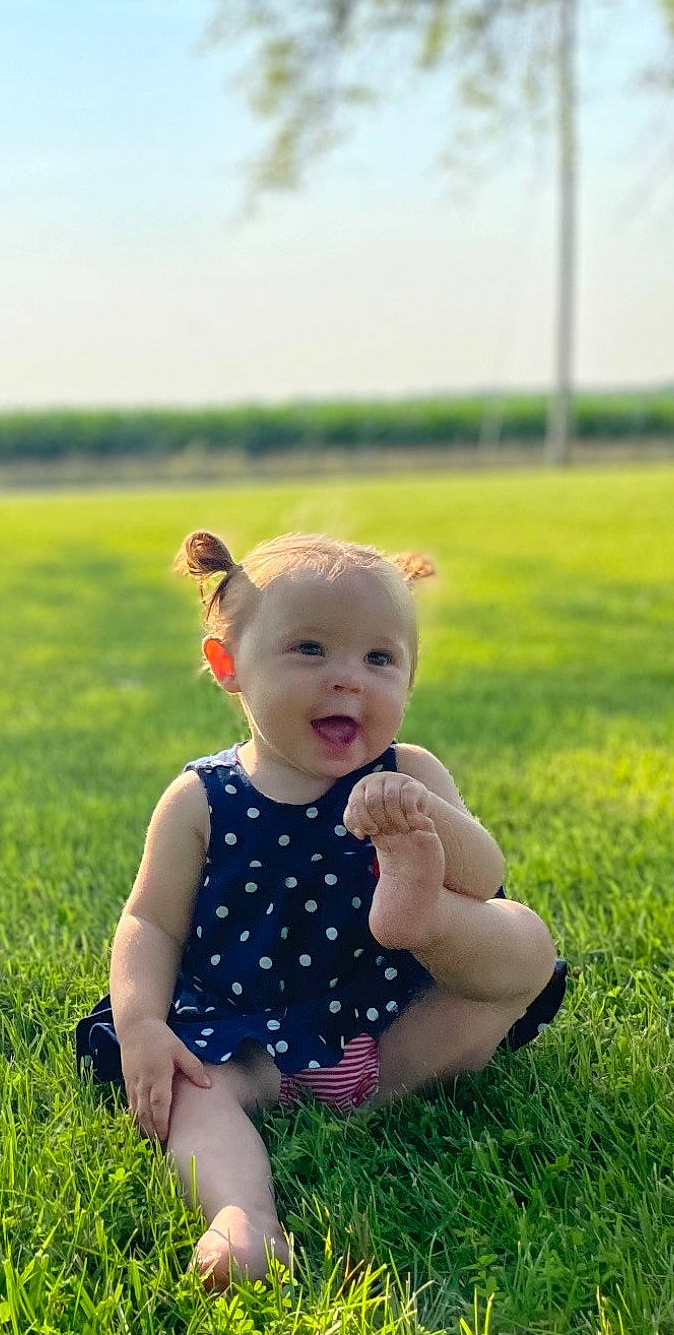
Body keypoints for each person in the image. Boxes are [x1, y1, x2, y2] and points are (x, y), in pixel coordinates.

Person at [74, 529, 566, 1287]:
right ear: (227, 666)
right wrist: (141, 1025)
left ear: (410, 676)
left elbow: (487, 872)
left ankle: (419, 918)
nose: (348, 681)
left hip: (397, 1024)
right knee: (192, 1094)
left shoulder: (409, 769)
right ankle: (243, 1218)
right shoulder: (203, 800)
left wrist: (422, 819)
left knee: (522, 941)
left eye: (378, 659)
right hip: (249, 1046)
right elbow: (150, 921)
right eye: (309, 650)